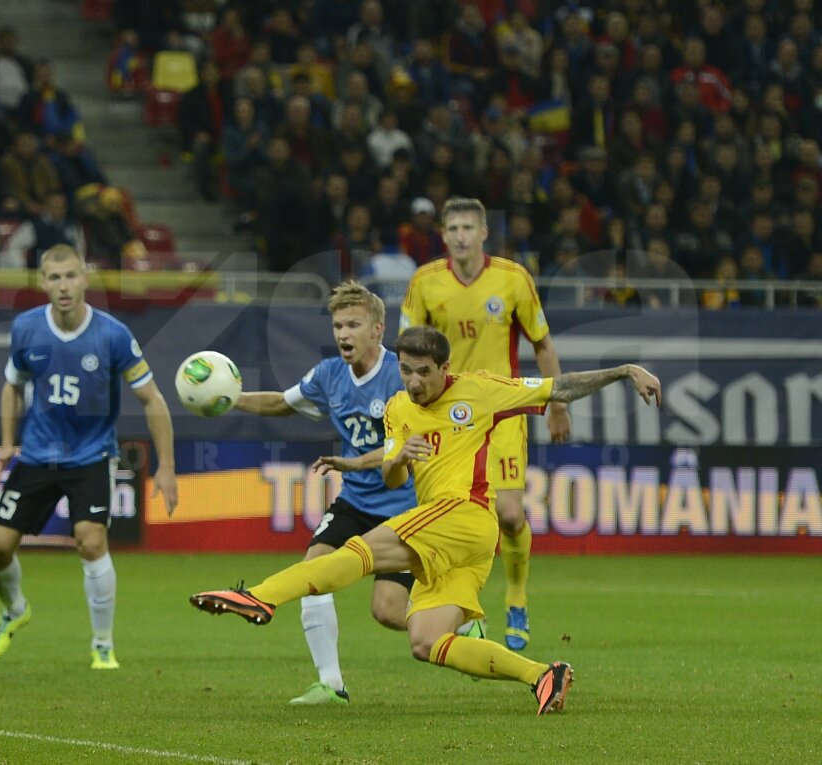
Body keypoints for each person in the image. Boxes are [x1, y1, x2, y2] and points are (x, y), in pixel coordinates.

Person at [191, 325, 662, 715]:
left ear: (443, 369)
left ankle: (259, 597)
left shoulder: (480, 390)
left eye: (423, 372)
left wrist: (624, 370)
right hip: (455, 540)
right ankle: (542, 674)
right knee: (426, 640)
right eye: (405, 370)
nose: (413, 381)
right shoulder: (398, 409)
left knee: (360, 552)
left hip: (465, 514)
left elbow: (560, 387)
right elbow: (395, 477)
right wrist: (402, 454)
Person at [228, 281, 484, 706]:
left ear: (377, 329)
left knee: (387, 611)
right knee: (314, 571)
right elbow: (280, 404)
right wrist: (228, 398)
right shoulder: (329, 375)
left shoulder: (402, 377)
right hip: (355, 501)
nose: (343, 334)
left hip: (402, 506)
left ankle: (459, 626)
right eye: (338, 325)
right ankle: (331, 684)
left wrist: (350, 462)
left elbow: (395, 453)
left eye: (353, 324)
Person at [0, 244, 178, 670]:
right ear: (42, 283)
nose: (63, 286)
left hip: (91, 456)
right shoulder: (26, 328)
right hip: (36, 455)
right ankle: (15, 610)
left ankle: (102, 643)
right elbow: (12, 385)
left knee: (91, 542)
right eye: (54, 278)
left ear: (86, 278)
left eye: (71, 276)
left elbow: (152, 400)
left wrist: (166, 465)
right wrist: (5, 443)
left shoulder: (112, 334)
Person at [399, 197, 571, 651]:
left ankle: (516, 596)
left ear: (483, 233)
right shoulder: (425, 283)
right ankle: (468, 607)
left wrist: (556, 403)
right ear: (443, 234)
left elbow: (542, 342)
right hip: (445, 420)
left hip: (500, 412)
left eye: (467, 228)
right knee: (454, 517)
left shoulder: (513, 280)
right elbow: (405, 353)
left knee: (509, 514)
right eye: (452, 228)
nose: (459, 236)